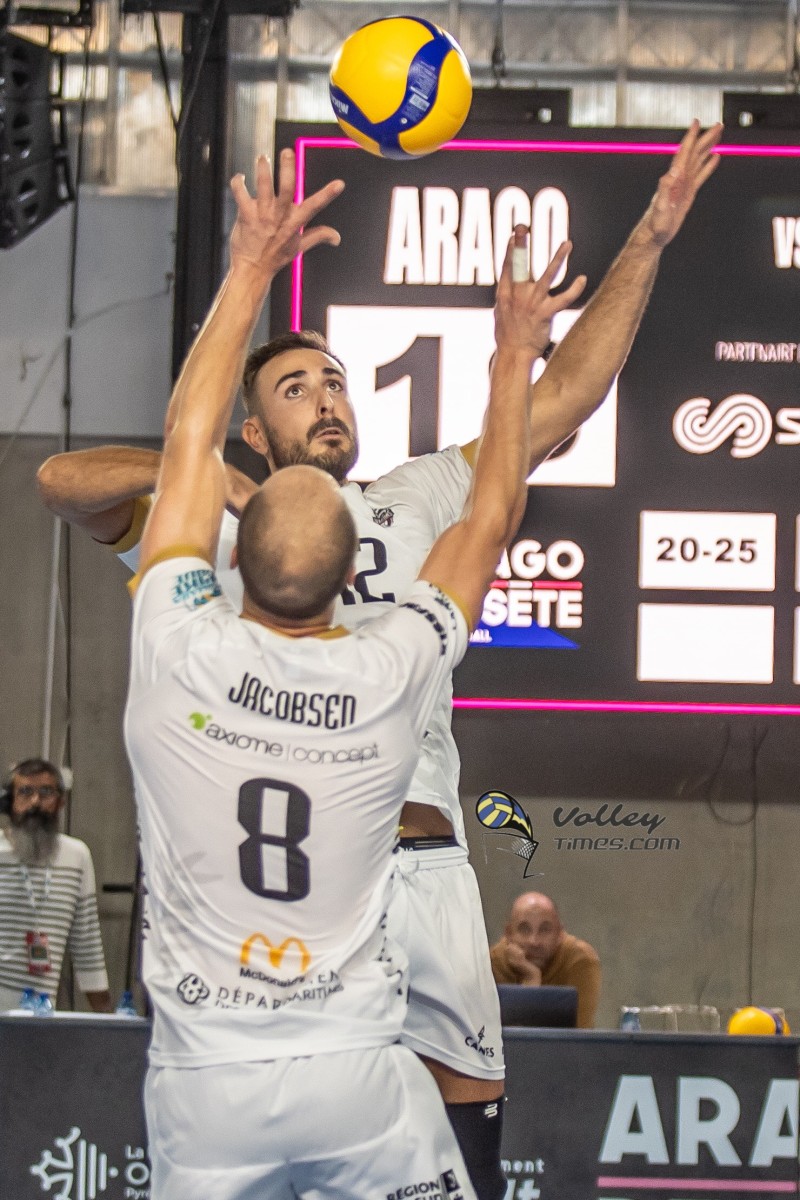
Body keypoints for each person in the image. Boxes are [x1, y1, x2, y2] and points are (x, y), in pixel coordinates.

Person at [36, 120, 722, 1199]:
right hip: (298, 893)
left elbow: (567, 400)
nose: (327, 398)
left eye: (335, 380)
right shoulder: (226, 529)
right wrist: (210, 481)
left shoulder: (413, 493)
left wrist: (649, 237)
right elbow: (63, 483)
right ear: (251, 433)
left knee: (456, 1142)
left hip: (422, 861)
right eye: (295, 388)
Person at [123, 149, 579, 1198]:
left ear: (230, 564)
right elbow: (490, 515)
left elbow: (186, 443)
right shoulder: (390, 675)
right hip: (351, 1077)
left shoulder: (177, 648)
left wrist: (248, 269)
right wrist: (513, 354)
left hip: (205, 1084)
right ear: (351, 579)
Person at [0, 758, 112, 1013]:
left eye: (46, 792)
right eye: (25, 792)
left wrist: (108, 1020)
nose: (35, 802)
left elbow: (87, 942)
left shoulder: (77, 856)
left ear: (61, 801)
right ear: (10, 802)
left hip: (41, 1014)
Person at [490, 892, 600, 1028]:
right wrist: (531, 977)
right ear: (508, 934)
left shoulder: (579, 959)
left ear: (560, 934)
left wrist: (531, 979)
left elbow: (580, 1034)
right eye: (524, 929)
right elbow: (488, 1034)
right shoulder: (493, 962)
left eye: (544, 930)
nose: (534, 941)